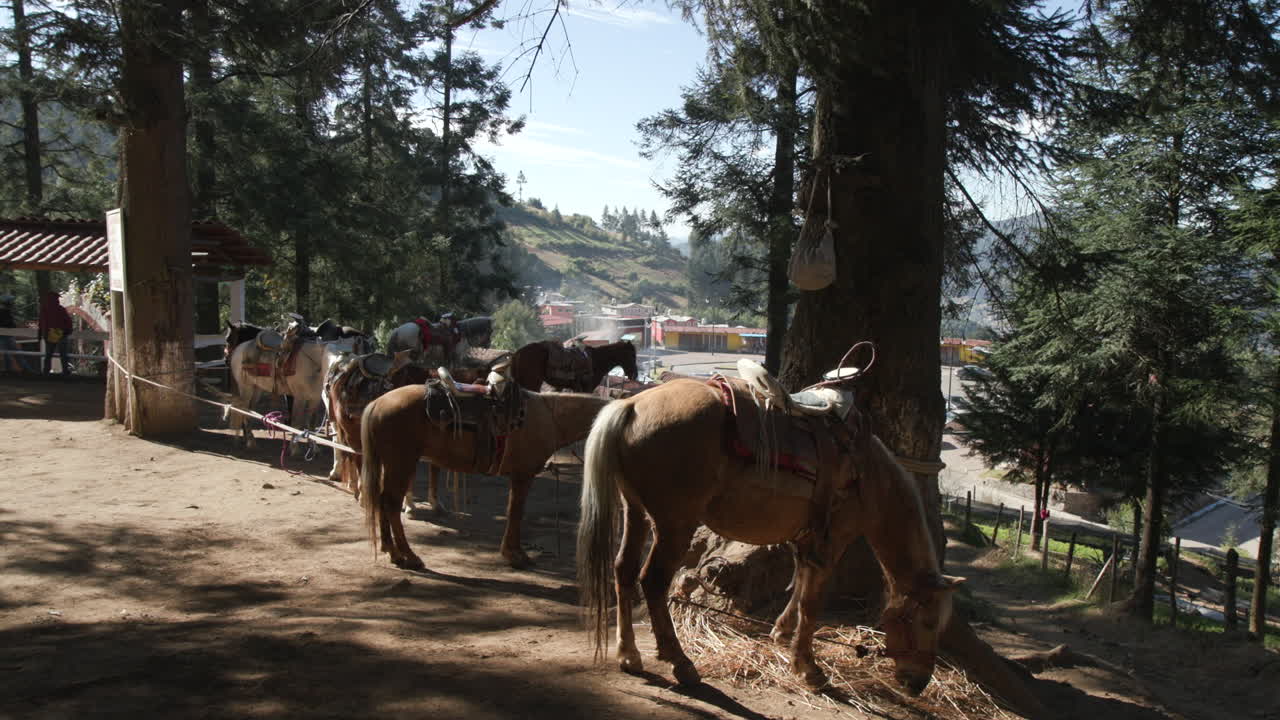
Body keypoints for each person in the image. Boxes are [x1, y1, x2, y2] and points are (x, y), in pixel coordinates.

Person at [38, 290, 73, 376]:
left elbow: (42, 323)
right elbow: (68, 321)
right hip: (60, 332)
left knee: (49, 354)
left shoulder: (45, 309)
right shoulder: (60, 309)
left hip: (50, 332)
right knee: (63, 354)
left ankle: (46, 371)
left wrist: (41, 334)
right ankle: (65, 371)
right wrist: (68, 331)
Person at [0, 294, 32, 373]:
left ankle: (12, 370)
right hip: (5, 336)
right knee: (12, 354)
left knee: (10, 354)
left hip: (7, 336)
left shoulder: (6, 311)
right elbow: (9, 324)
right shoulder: (4, 312)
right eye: (11, 302)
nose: (13, 303)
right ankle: (25, 370)